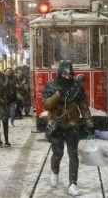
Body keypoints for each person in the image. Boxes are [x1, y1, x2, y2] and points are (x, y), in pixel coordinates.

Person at [42, 61, 94, 196]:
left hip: (72, 123)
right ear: (59, 73)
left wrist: (89, 123)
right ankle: (54, 171)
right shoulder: (51, 84)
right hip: (56, 124)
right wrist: (58, 94)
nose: (67, 77)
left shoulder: (77, 86)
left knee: (73, 155)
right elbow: (46, 105)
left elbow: (83, 106)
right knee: (57, 153)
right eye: (64, 74)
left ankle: (73, 183)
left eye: (70, 74)